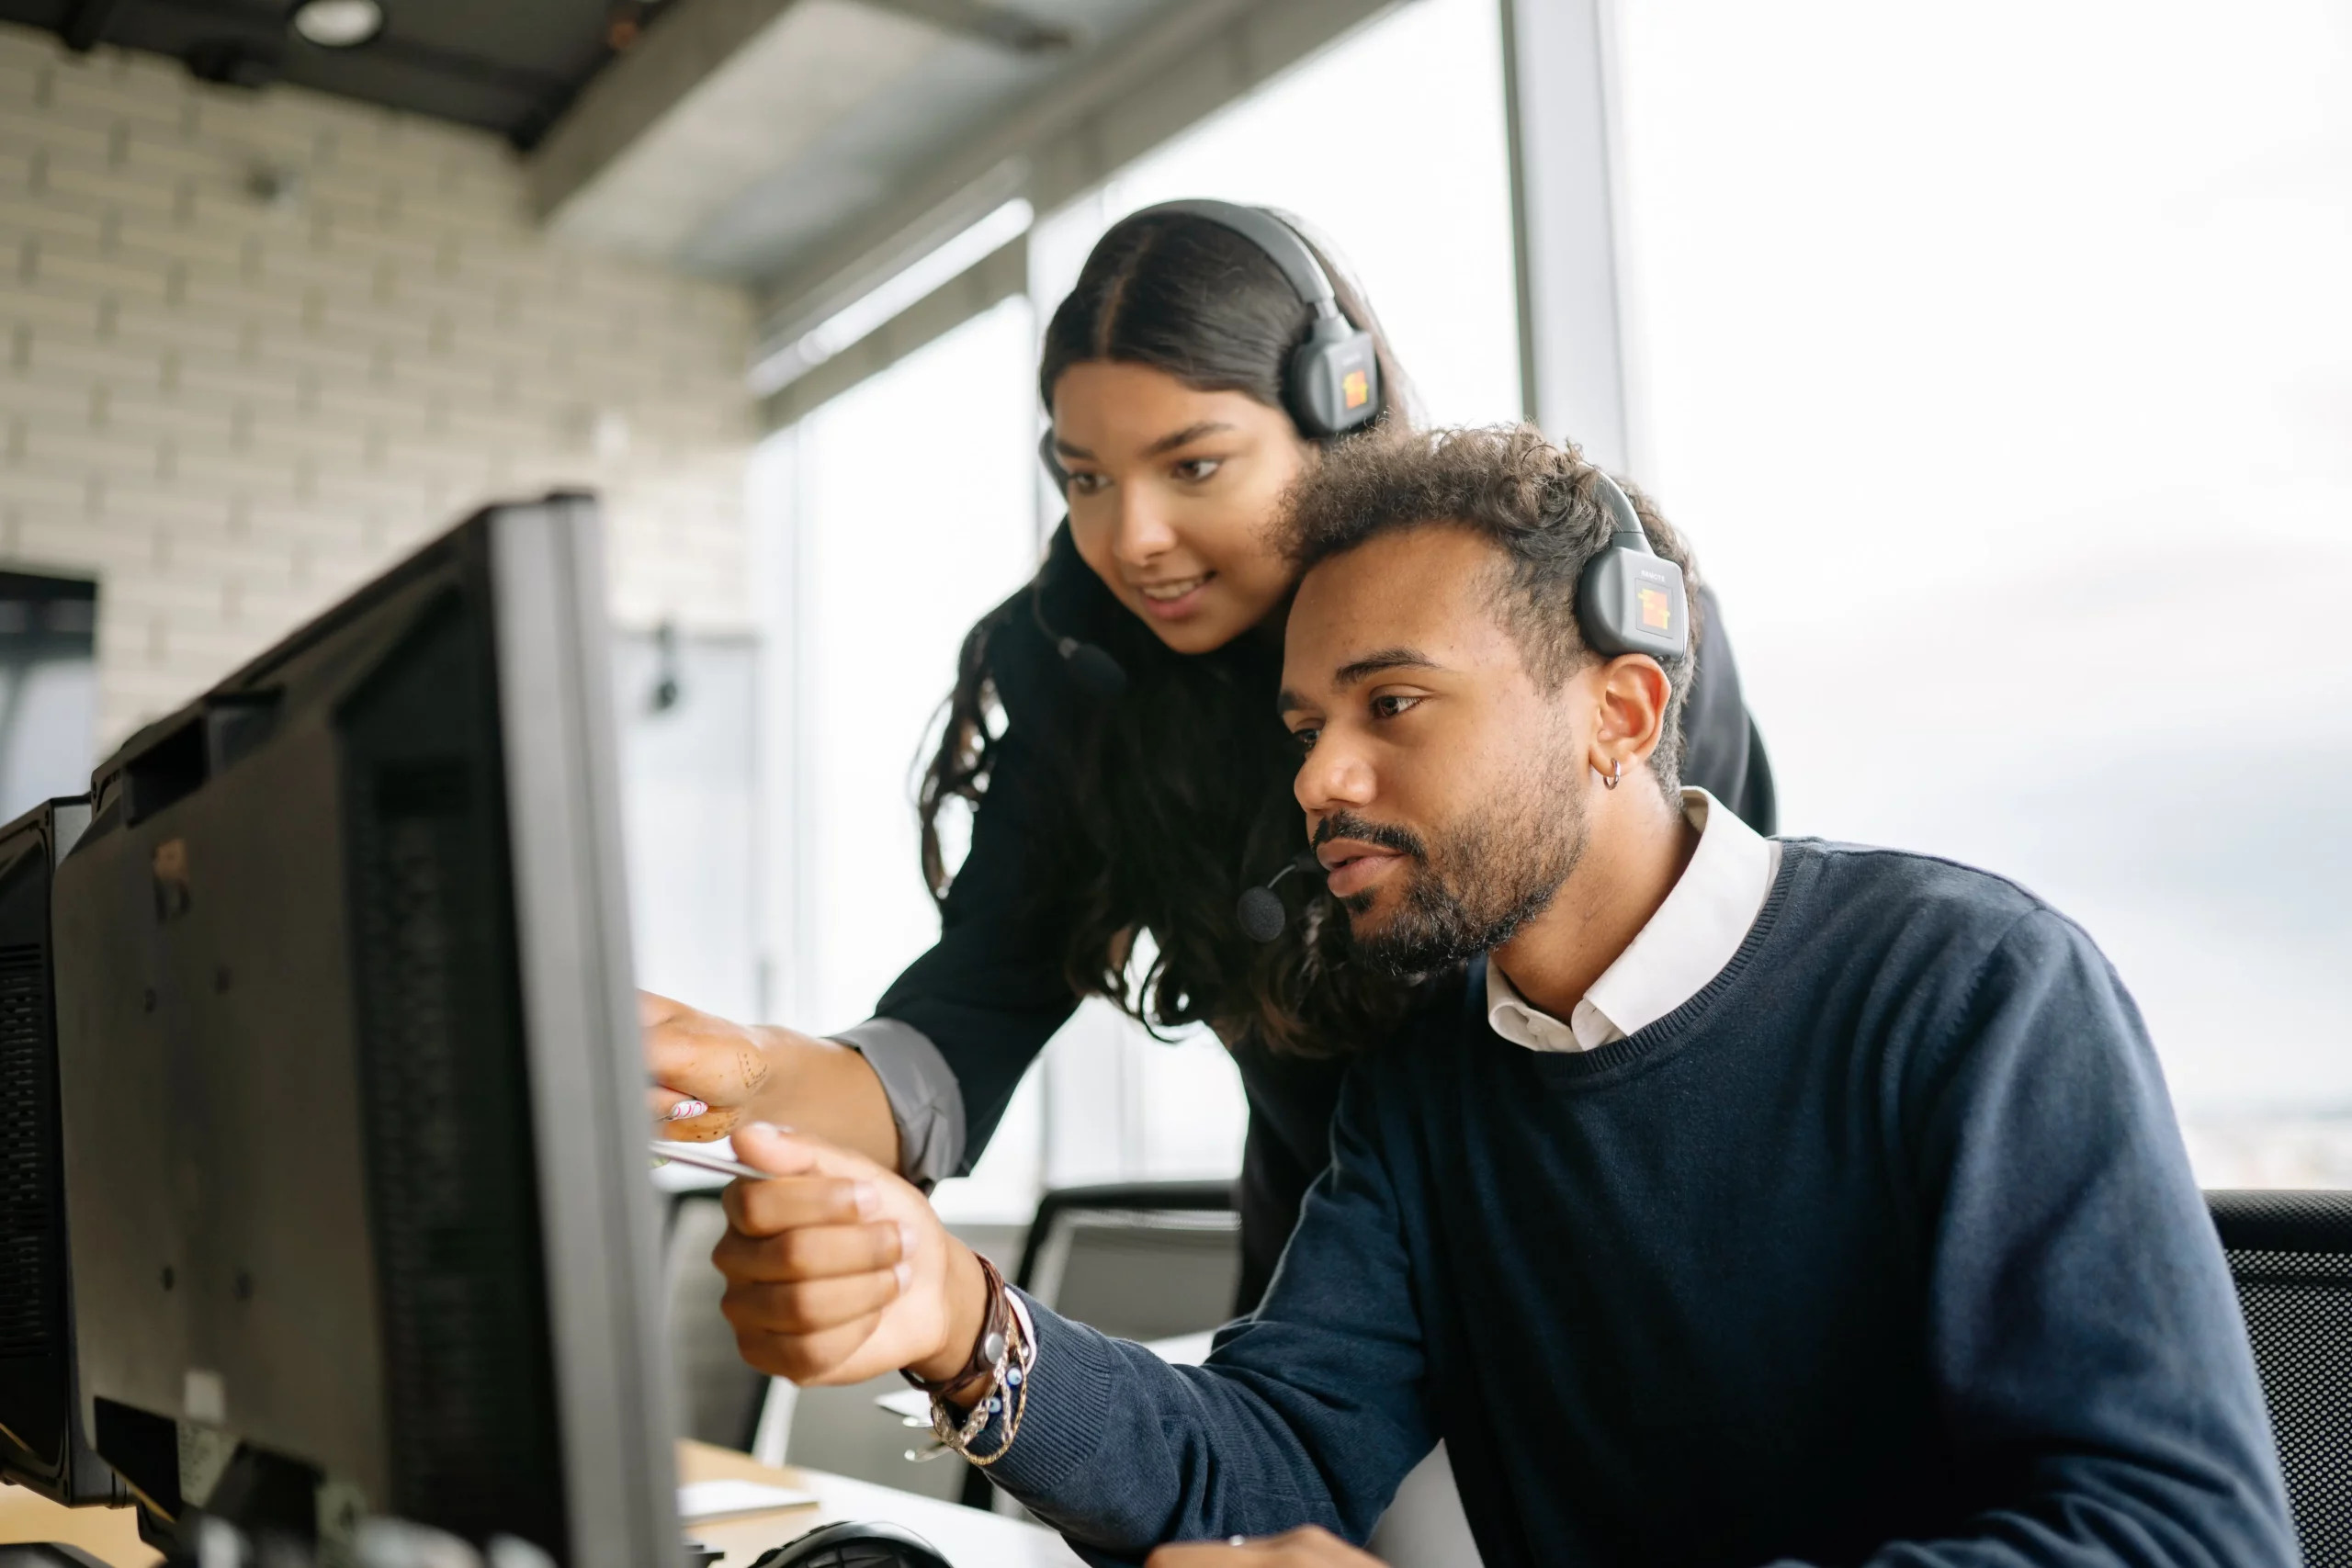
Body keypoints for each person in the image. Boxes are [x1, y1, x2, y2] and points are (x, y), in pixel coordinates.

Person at [704, 426, 2296, 1568]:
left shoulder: (1971, 993)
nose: (1320, 775)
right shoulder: (1430, 1077)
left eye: (1392, 701)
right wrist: (967, 1324)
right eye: (1306, 721)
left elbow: (2177, 1533)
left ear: (1618, 710)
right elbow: (1276, 1450)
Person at [643, 201, 1775, 1305]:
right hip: (1324, 1313)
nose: (1129, 540)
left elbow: (1732, 1001)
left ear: (1337, 421)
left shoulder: (1585, 631)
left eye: (1192, 468)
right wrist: (745, 1076)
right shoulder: (1084, 675)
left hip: (1616, 1277)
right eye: (1085, 479)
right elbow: (966, 1019)